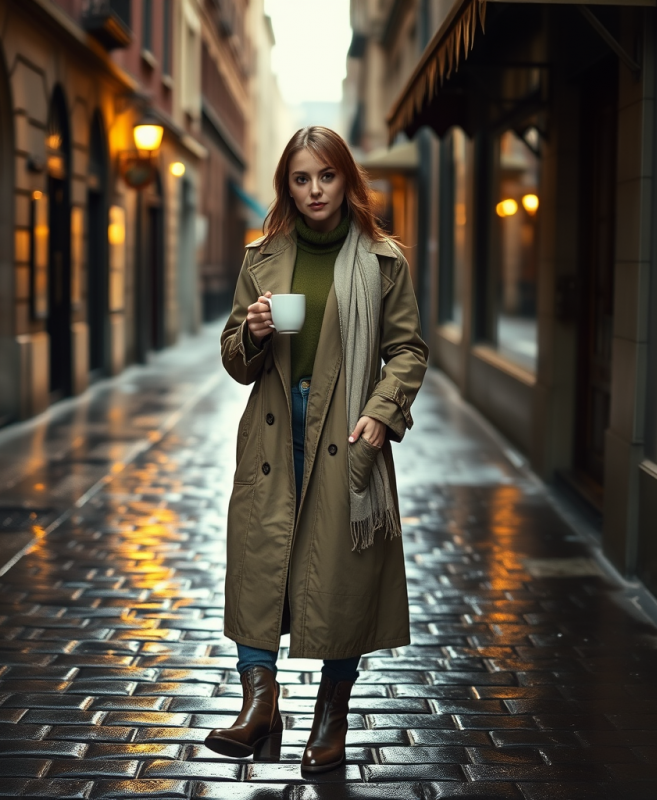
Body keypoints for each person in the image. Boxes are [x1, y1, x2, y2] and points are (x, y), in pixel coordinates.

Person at [206, 126, 428, 773]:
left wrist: (382, 416)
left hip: (347, 429)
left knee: (340, 571)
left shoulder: (384, 261)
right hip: (277, 430)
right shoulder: (262, 255)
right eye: (301, 179)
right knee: (260, 557)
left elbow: (407, 352)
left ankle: (332, 716)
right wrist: (249, 331)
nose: (314, 190)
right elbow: (234, 359)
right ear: (288, 186)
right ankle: (259, 702)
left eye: (325, 176)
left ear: (346, 179)